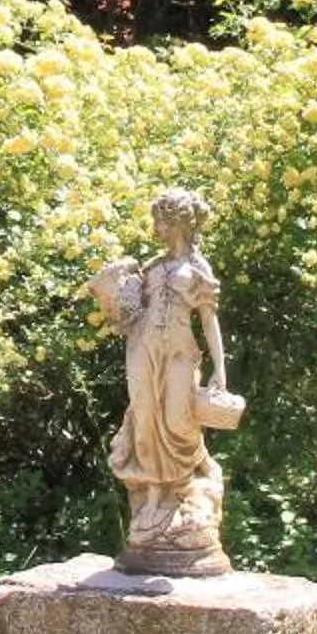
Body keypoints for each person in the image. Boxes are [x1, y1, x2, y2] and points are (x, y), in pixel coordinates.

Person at [89, 187, 233, 575]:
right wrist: (116, 300)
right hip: (142, 349)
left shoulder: (199, 270)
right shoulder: (151, 267)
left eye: (162, 220)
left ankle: (191, 483)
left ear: (180, 223)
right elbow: (131, 315)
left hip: (180, 354)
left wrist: (220, 369)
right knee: (146, 422)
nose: (156, 228)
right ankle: (153, 499)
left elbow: (209, 321)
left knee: (178, 421)